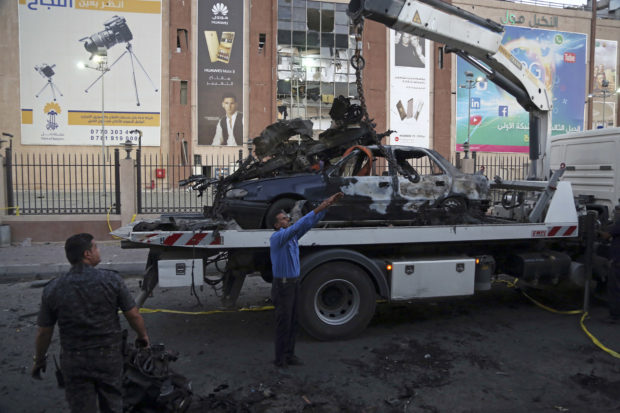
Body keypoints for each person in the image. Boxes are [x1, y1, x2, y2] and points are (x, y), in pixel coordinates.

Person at [32, 233, 150, 413]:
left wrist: (39, 359)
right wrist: (143, 336)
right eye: (96, 247)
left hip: (74, 360)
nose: (99, 251)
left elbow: (44, 332)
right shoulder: (111, 280)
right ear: (87, 254)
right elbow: (133, 315)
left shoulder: (54, 288)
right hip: (108, 358)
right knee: (113, 405)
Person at [270, 192, 344, 368]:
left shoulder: (292, 237)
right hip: (283, 285)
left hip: (293, 284)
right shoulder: (278, 237)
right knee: (284, 323)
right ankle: (280, 359)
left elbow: (308, 223)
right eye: (282, 219)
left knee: (294, 321)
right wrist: (324, 203)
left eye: (286, 217)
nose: (287, 219)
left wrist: (326, 209)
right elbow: (299, 225)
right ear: (276, 225)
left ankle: (290, 355)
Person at [599, 208, 620, 321]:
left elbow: (606, 236)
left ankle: (615, 316)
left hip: (617, 261)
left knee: (614, 288)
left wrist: (597, 231)